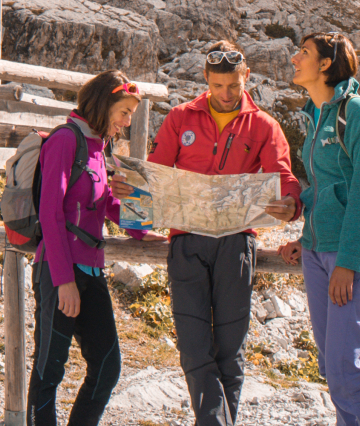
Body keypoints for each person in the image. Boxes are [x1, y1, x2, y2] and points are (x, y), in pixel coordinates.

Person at [119, 39, 299, 426]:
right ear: (205, 78)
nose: (226, 94)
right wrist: (134, 213)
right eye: (218, 86)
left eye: (234, 85)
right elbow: (156, 175)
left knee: (230, 352)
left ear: (246, 76)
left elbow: (284, 179)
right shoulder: (180, 118)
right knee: (193, 346)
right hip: (186, 242)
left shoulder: (265, 125)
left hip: (237, 243)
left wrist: (290, 204)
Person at [280, 32, 360, 426]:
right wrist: (302, 239)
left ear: (326, 64)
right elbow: (325, 190)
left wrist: (349, 262)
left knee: (347, 375)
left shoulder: (355, 111)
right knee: (334, 374)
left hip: (353, 256)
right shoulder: (314, 117)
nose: (295, 59)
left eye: (304, 53)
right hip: (316, 254)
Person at [32, 69, 146, 426]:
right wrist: (64, 280)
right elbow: (50, 213)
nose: (126, 122)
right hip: (58, 270)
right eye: (124, 112)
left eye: (130, 115)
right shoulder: (66, 140)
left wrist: (142, 229)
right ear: (105, 103)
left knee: (107, 366)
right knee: (49, 370)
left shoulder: (99, 146)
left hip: (91, 270)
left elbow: (108, 204)